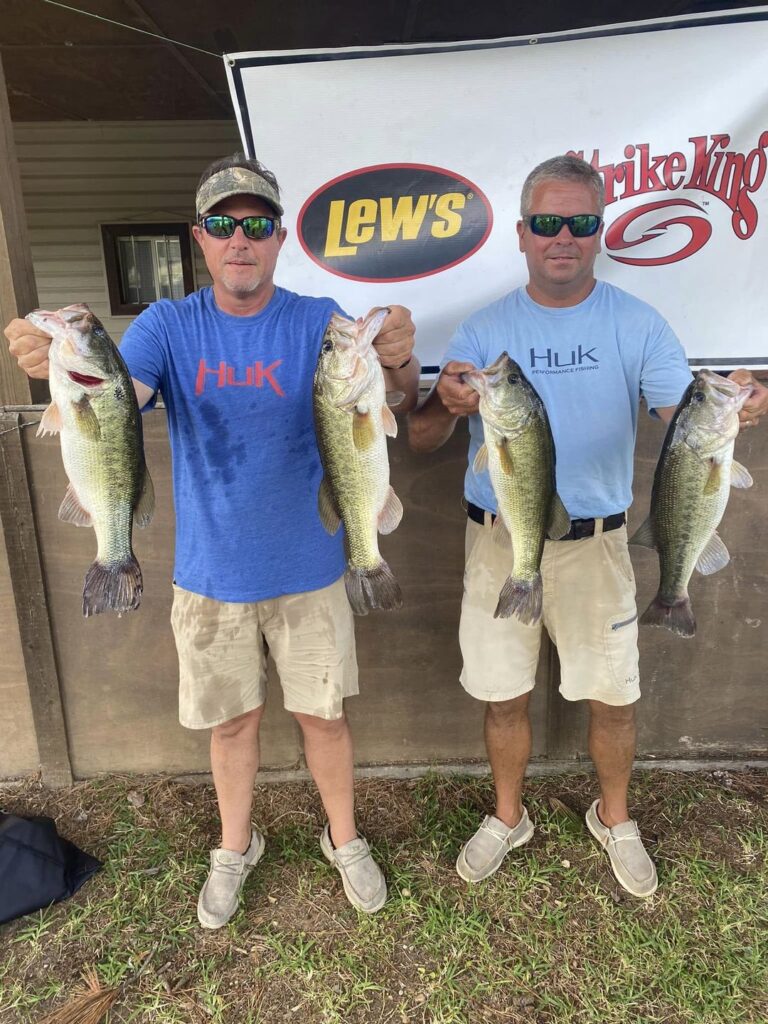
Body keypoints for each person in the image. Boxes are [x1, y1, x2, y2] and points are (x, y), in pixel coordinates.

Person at [5, 153, 420, 926]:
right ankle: (235, 847)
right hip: (210, 576)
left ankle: (346, 837)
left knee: (325, 717)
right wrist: (56, 362)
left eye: (257, 224)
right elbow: (121, 396)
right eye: (224, 224)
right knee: (232, 726)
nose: (241, 240)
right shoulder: (168, 325)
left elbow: (389, 394)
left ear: (280, 237)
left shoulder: (317, 321)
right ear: (200, 238)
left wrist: (399, 358)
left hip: (311, 567)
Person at [407, 154, 768, 898]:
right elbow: (420, 441)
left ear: (601, 232)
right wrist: (445, 403)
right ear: (522, 234)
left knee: (615, 696)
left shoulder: (637, 323)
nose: (562, 236)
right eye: (547, 223)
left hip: (601, 543)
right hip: (499, 541)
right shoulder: (486, 327)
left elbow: (683, 420)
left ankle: (615, 816)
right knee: (503, 693)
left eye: (579, 222)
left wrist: (740, 406)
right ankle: (509, 816)